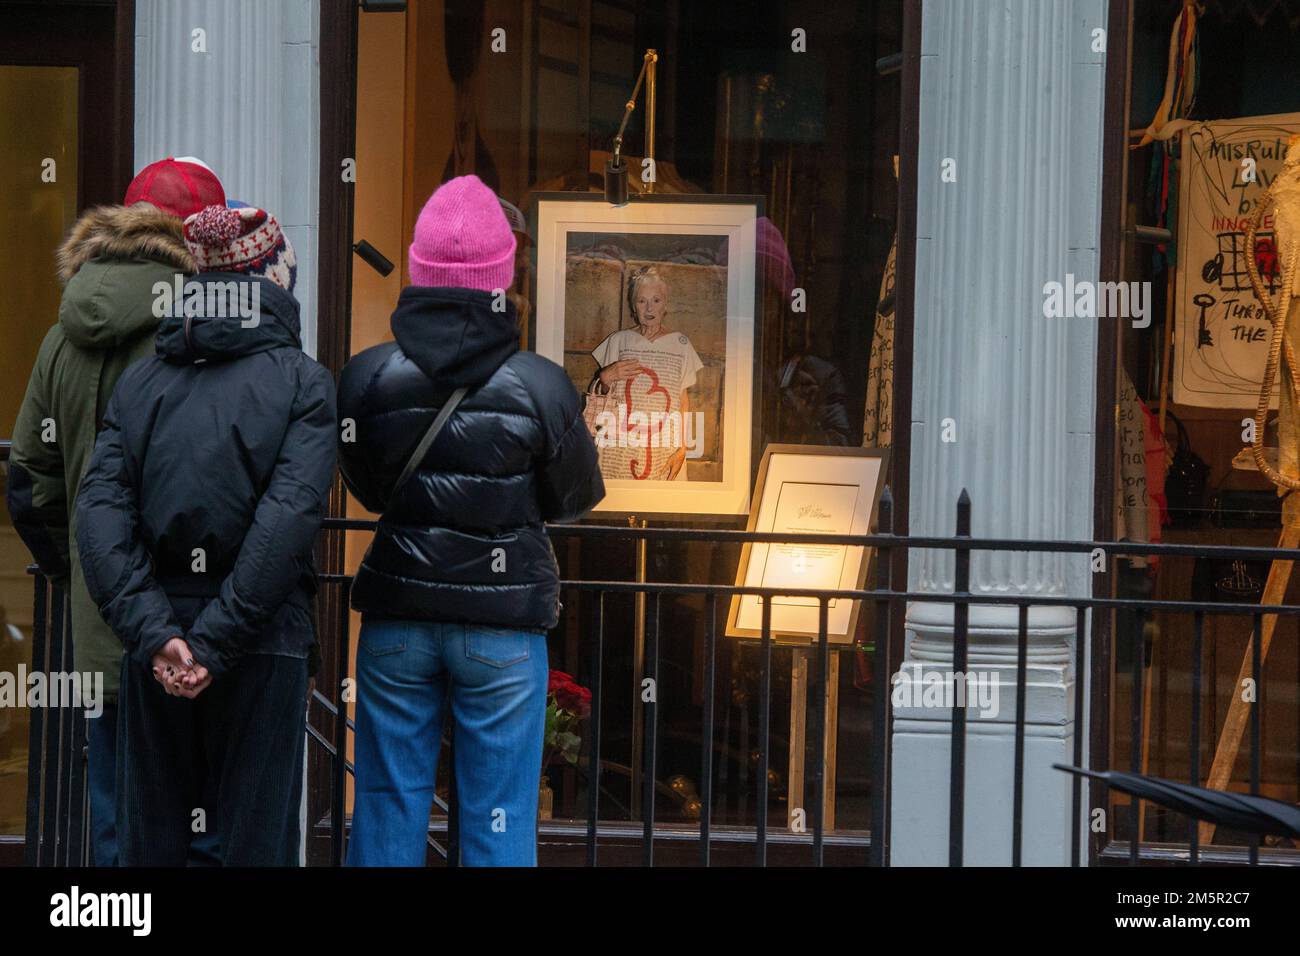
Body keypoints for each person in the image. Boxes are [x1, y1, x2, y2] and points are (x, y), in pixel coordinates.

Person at [338, 174, 604, 866]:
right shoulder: (543, 384)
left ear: (418, 268)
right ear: (504, 277)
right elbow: (574, 498)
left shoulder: (367, 377)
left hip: (399, 616)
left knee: (388, 808)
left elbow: (367, 488)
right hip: (503, 625)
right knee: (499, 816)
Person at [74, 203, 336, 866]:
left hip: (161, 634)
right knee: (256, 838)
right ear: (276, 281)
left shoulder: (142, 382)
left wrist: (159, 636)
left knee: (150, 842)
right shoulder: (303, 383)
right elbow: (286, 521)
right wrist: (211, 645)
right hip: (260, 637)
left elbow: (100, 512)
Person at [6, 157, 225, 866]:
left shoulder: (59, 335)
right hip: (192, 621)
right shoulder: (203, 328)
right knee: (198, 819)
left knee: (112, 818)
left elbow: (29, 478)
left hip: (100, 625)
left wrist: (80, 571)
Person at [589, 265, 704, 481]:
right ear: (634, 306)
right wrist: (605, 376)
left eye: (656, 300)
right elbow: (602, 396)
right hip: (620, 443)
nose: (649, 308)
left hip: (662, 446)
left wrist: (682, 448)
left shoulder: (680, 344)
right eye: (642, 301)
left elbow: (683, 400)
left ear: (665, 305)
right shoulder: (618, 340)